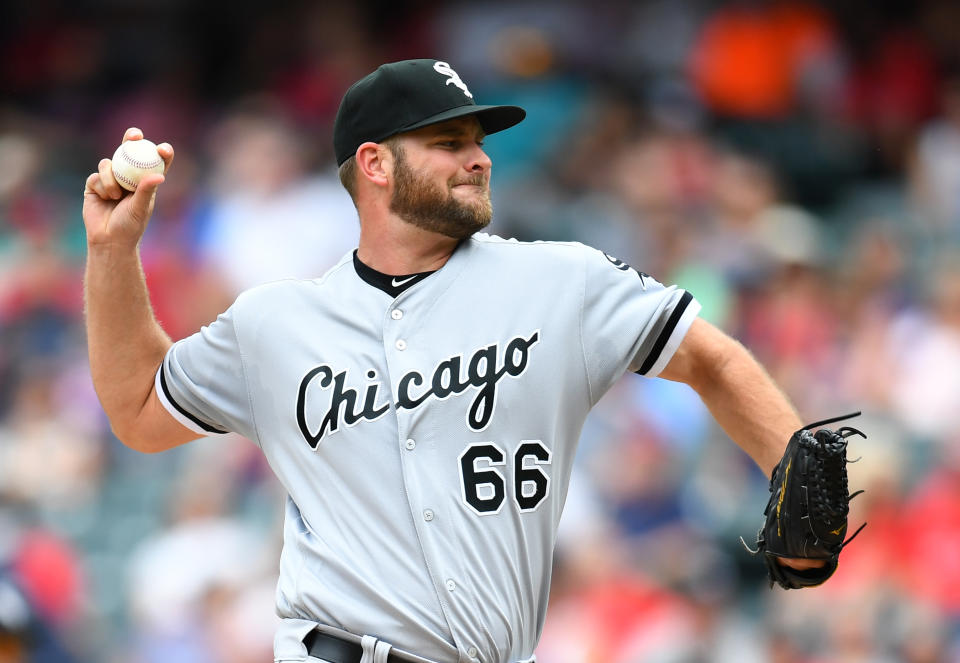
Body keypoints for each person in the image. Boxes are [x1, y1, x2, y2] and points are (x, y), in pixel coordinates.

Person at [83, 59, 825, 663]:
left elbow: (712, 359)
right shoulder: (276, 322)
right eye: (447, 141)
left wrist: (801, 463)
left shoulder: (560, 280)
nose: (478, 158)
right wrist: (113, 250)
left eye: (478, 139)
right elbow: (142, 410)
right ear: (373, 163)